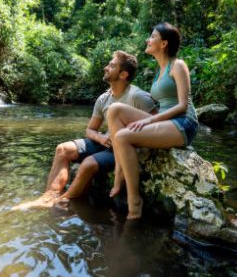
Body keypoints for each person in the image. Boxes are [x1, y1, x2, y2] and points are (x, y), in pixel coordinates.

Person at [14, 51, 157, 210]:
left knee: (88, 164)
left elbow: (157, 124)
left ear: (123, 74)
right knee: (62, 149)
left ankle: (63, 199)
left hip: (123, 149)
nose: (105, 68)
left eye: (112, 65)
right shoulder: (104, 98)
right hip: (104, 142)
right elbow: (90, 130)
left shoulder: (138, 97)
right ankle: (49, 196)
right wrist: (101, 138)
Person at [107, 22, 198, 219]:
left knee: (123, 137)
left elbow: (182, 105)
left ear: (164, 43)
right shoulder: (159, 71)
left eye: (153, 36)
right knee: (114, 110)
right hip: (163, 121)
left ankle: (134, 203)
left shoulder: (178, 65)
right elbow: (157, 102)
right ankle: (118, 173)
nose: (148, 40)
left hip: (183, 123)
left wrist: (148, 122)